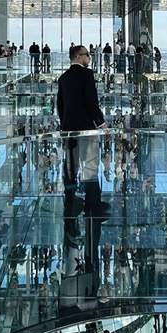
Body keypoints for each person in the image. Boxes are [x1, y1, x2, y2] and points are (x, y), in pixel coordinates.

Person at [57, 44, 107, 210]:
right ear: (77, 57)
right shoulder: (87, 74)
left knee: (71, 166)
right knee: (91, 165)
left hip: (69, 130)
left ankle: (70, 201)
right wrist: (101, 123)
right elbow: (91, 101)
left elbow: (60, 107)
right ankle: (93, 204)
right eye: (86, 55)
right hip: (86, 129)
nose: (89, 58)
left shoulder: (63, 78)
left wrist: (64, 127)